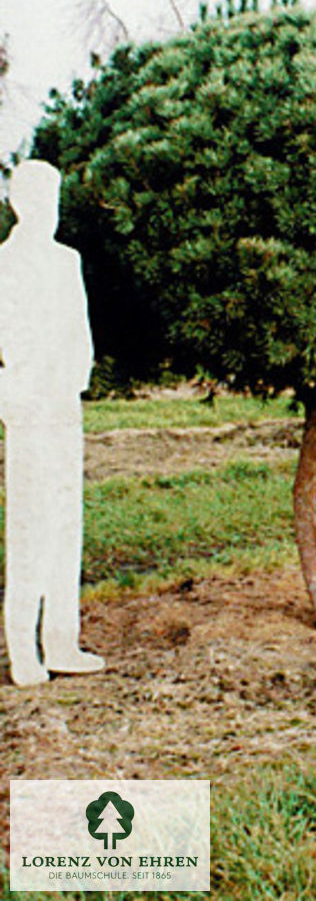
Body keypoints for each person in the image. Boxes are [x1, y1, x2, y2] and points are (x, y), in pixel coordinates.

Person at [0, 159, 104, 686]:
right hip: (25, 405)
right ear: (19, 202)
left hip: (63, 404)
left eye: (55, 199)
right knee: (28, 525)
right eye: (41, 198)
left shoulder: (68, 262)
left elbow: (78, 330)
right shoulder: (3, 264)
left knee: (65, 523)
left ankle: (61, 640)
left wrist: (73, 382)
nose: (50, 210)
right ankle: (23, 646)